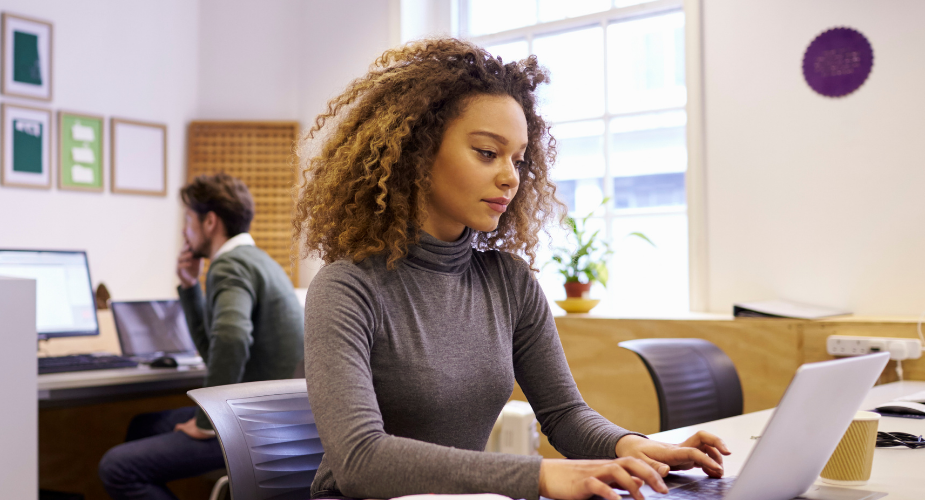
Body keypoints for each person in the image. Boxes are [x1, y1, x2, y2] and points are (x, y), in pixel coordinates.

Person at [294, 38, 730, 500]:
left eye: (518, 160)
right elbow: (359, 460)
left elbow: (565, 414)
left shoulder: (509, 281)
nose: (510, 177)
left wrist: (637, 447)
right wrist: (538, 476)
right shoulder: (347, 288)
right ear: (416, 151)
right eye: (487, 152)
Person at [100, 173, 305, 500]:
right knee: (144, 425)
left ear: (210, 222)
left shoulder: (229, 266)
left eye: (188, 220)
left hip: (251, 429)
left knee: (117, 468)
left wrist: (208, 423)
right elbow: (216, 352)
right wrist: (190, 286)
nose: (184, 231)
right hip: (275, 423)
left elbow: (232, 339)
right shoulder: (258, 261)